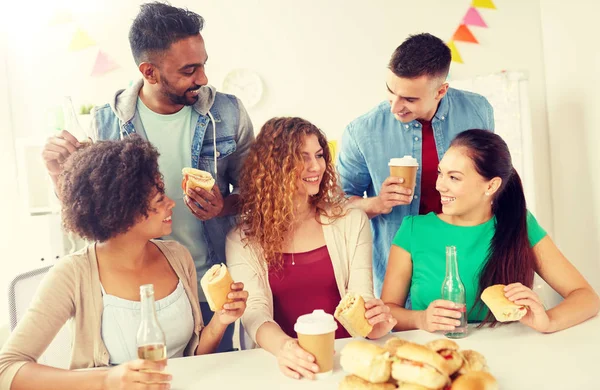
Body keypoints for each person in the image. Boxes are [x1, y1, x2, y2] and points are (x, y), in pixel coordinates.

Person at [40, 2, 254, 352]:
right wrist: (56, 175)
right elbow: (89, 214)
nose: (202, 79)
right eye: (189, 70)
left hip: (210, 286)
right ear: (149, 72)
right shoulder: (105, 124)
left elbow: (259, 195)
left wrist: (222, 206)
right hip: (137, 294)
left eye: (203, 64)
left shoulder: (228, 113)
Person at [0, 137, 248, 390]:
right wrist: (108, 379)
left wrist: (221, 319)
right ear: (123, 210)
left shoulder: (177, 256)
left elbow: (190, 359)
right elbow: (6, 368)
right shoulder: (73, 273)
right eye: (159, 199)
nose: (171, 203)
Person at [226, 117, 396, 380]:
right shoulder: (242, 238)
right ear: (274, 167)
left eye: (319, 155)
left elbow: (360, 298)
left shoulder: (351, 220)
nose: (316, 166)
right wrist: (285, 349)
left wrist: (376, 322)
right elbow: (254, 312)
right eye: (302, 157)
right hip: (281, 365)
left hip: (343, 359)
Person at [381, 129, 600, 333]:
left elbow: (586, 298)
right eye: (441, 173)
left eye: (454, 177)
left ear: (491, 186)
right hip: (439, 356)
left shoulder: (518, 223)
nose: (439, 185)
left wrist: (547, 321)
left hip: (511, 355)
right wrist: (420, 319)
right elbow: (388, 311)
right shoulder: (414, 230)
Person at [337, 33, 495, 297]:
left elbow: (491, 177)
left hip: (471, 259)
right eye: (390, 91)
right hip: (400, 275)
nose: (395, 107)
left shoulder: (478, 110)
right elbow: (335, 207)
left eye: (409, 99)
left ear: (441, 91)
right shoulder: (362, 131)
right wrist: (377, 203)